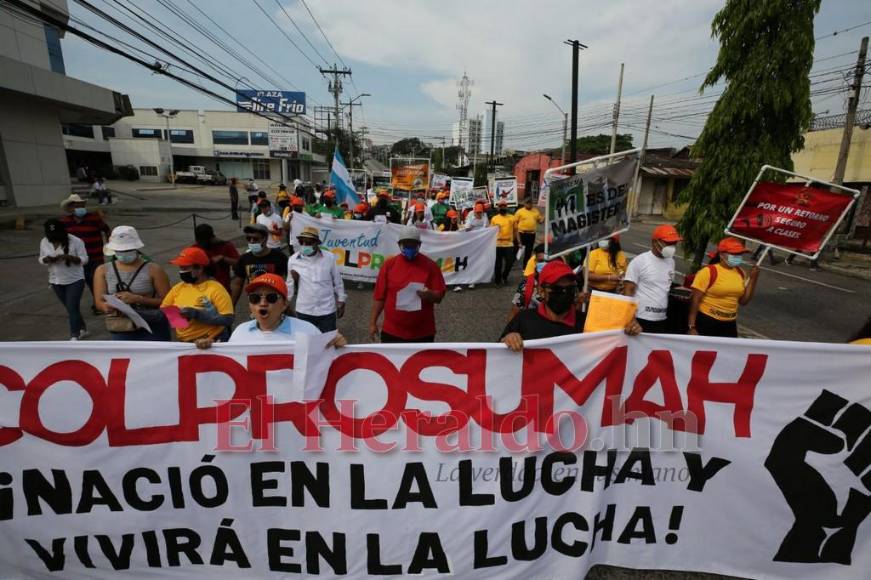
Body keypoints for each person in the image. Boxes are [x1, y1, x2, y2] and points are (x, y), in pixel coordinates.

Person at [502, 261, 641, 351]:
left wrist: (629, 329)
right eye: (557, 289)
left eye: (570, 289)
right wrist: (508, 340)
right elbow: (495, 354)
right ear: (541, 292)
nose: (564, 294)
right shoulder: (524, 320)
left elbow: (614, 347)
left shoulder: (588, 323)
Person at [94, 226, 171, 341]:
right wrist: (107, 307)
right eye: (120, 251)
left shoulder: (154, 269)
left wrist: (138, 299)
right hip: (121, 327)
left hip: (153, 326)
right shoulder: (102, 270)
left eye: (127, 250)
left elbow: (168, 302)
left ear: (136, 249)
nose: (124, 254)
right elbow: (99, 302)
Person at [369, 226, 446, 343]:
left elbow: (439, 297)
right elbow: (380, 298)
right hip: (392, 332)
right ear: (399, 245)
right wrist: (372, 323)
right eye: (406, 245)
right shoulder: (388, 266)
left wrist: (430, 295)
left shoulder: (431, 266)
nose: (410, 248)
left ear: (419, 245)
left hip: (423, 333)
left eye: (413, 245)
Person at [687, 237, 761, 338]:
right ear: (721, 255)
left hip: (729, 324)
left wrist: (753, 280)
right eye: (734, 254)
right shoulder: (708, 272)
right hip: (707, 321)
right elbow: (695, 300)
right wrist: (692, 326)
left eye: (739, 254)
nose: (738, 256)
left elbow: (743, 301)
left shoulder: (741, 273)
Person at [162, 247, 235, 344]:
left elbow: (228, 319)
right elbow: (165, 311)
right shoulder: (178, 288)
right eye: (180, 268)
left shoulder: (216, 289)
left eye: (185, 268)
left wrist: (195, 314)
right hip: (184, 343)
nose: (181, 271)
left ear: (200, 269)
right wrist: (181, 322)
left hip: (210, 342)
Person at [623, 224, 681, 333]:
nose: (672, 247)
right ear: (655, 242)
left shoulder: (671, 261)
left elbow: (664, 286)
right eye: (668, 243)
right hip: (640, 319)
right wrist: (630, 319)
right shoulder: (640, 261)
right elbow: (628, 291)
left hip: (661, 319)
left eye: (674, 243)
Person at [287, 226, 347, 332]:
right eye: (302, 242)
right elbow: (289, 285)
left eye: (308, 243)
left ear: (316, 243)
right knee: (306, 342)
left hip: (326, 310)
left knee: (328, 341)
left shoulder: (330, 258)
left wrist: (341, 300)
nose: (304, 245)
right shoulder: (293, 260)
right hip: (304, 310)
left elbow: (337, 281)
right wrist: (284, 305)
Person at [59, 193, 110, 315]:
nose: (80, 208)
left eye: (82, 205)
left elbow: (107, 230)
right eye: (77, 206)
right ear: (71, 208)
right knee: (79, 282)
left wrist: (110, 246)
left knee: (96, 281)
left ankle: (100, 304)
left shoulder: (94, 218)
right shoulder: (65, 222)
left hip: (95, 256)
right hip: (76, 259)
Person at [39, 219, 89, 340]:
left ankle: (74, 335)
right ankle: (83, 328)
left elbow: (85, 259)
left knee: (72, 306)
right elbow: (41, 258)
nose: (54, 239)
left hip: (75, 279)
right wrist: (47, 259)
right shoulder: (44, 241)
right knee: (71, 307)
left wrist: (70, 258)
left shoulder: (76, 241)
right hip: (56, 280)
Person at [231, 224, 289, 305]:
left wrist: (286, 303)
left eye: (255, 239)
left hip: (276, 304)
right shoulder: (244, 259)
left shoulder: (280, 257)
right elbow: (237, 284)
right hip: (255, 305)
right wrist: (231, 306)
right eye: (248, 238)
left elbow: (289, 281)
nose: (251, 241)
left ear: (265, 239)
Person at [194, 223, 239, 293]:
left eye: (204, 242)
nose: (202, 245)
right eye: (200, 242)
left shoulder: (226, 246)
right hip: (200, 289)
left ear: (211, 238)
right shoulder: (195, 247)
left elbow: (239, 263)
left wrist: (223, 258)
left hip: (221, 289)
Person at [491, 199, 518, 286]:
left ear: (506, 207)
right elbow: (490, 232)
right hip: (498, 244)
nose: (502, 208)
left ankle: (504, 276)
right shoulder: (494, 218)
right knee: (498, 264)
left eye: (504, 206)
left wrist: (517, 241)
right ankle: (497, 281)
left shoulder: (512, 217)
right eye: (501, 206)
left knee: (510, 263)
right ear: (498, 208)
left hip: (509, 244)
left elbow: (515, 231)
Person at [514, 197, 543, 267]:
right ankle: (512, 261)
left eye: (530, 203)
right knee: (517, 249)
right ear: (524, 204)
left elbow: (540, 221)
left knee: (528, 251)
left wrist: (544, 217)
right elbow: (515, 223)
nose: (529, 205)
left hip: (531, 235)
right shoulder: (519, 211)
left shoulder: (535, 211)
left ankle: (525, 266)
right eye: (528, 203)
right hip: (521, 234)